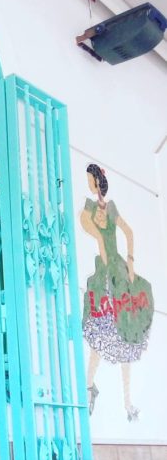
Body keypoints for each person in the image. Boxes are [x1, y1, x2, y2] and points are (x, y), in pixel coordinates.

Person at [80, 163, 153, 421]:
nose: (89, 184)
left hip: (120, 274)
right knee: (100, 338)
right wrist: (103, 246)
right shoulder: (88, 208)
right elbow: (93, 232)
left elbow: (129, 232)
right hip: (105, 276)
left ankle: (127, 401)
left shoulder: (110, 207)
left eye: (90, 179)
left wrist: (130, 262)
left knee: (126, 335)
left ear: (97, 181)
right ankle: (89, 387)